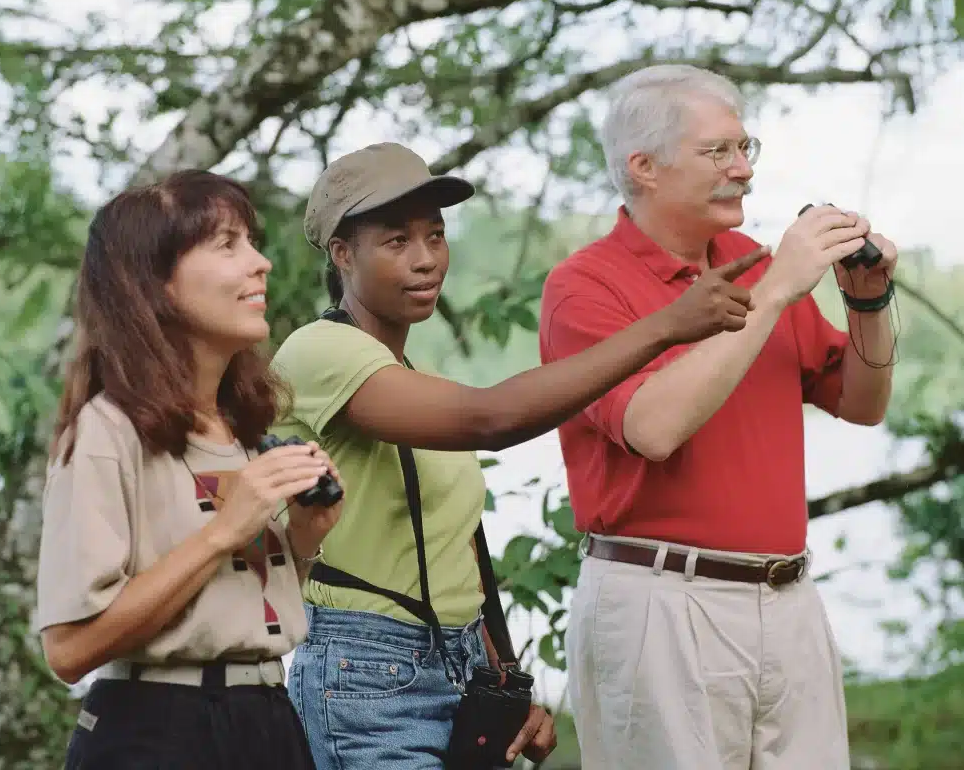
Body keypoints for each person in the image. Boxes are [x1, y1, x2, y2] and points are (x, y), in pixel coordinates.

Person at [270, 141, 769, 770]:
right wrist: (667, 325)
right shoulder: (318, 352)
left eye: (435, 236)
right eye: (397, 242)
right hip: (366, 676)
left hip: (453, 667)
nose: (426, 259)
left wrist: (502, 675)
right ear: (343, 254)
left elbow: (454, 553)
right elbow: (491, 418)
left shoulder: (409, 373)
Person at [538, 64, 898, 770]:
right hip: (661, 604)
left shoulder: (754, 263)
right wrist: (777, 289)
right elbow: (652, 429)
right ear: (643, 167)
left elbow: (863, 404)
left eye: (745, 147)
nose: (743, 170)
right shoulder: (583, 286)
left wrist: (867, 301)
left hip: (788, 599)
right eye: (718, 152)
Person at [36, 170, 345, 769]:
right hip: (155, 731)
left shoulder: (240, 429)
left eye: (251, 242)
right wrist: (224, 531)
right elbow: (68, 650)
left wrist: (304, 540)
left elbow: (230, 606)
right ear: (155, 284)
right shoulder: (106, 430)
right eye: (228, 245)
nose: (261, 263)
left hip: (269, 720)